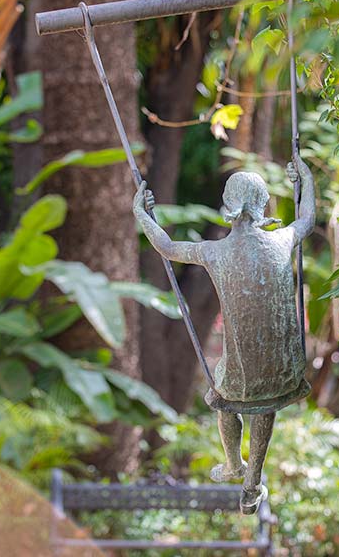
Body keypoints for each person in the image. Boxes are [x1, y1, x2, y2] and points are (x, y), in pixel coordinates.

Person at [132, 156, 315, 514]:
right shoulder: (282, 239)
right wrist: (308, 180)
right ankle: (252, 482)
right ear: (263, 206)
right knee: (264, 398)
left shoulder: (214, 252)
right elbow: (307, 218)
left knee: (222, 393)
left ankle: (233, 463)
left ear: (229, 208)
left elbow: (167, 247)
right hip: (286, 375)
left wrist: (141, 213)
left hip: (244, 381)